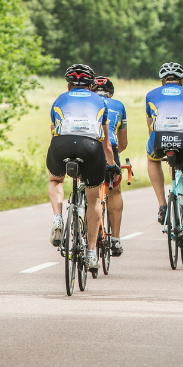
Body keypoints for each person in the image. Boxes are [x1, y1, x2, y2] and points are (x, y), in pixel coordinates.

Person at [48, 64, 119, 269]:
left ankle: (58, 217)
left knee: (55, 180)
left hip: (61, 144)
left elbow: (54, 131)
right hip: (90, 147)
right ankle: (90, 252)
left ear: (68, 86)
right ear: (90, 86)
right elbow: (106, 144)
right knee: (94, 197)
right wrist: (113, 166)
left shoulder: (59, 100)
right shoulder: (100, 101)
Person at [146, 62, 183, 245]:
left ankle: (162, 204)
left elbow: (150, 127)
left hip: (158, 139)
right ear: (182, 81)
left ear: (163, 81)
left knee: (152, 160)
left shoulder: (151, 94)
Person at [92, 76, 127, 256]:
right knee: (115, 192)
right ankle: (116, 239)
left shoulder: (88, 102)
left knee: (90, 191)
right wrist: (112, 157)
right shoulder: (119, 105)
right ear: (111, 93)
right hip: (110, 149)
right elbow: (123, 142)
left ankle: (88, 235)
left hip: (89, 147)